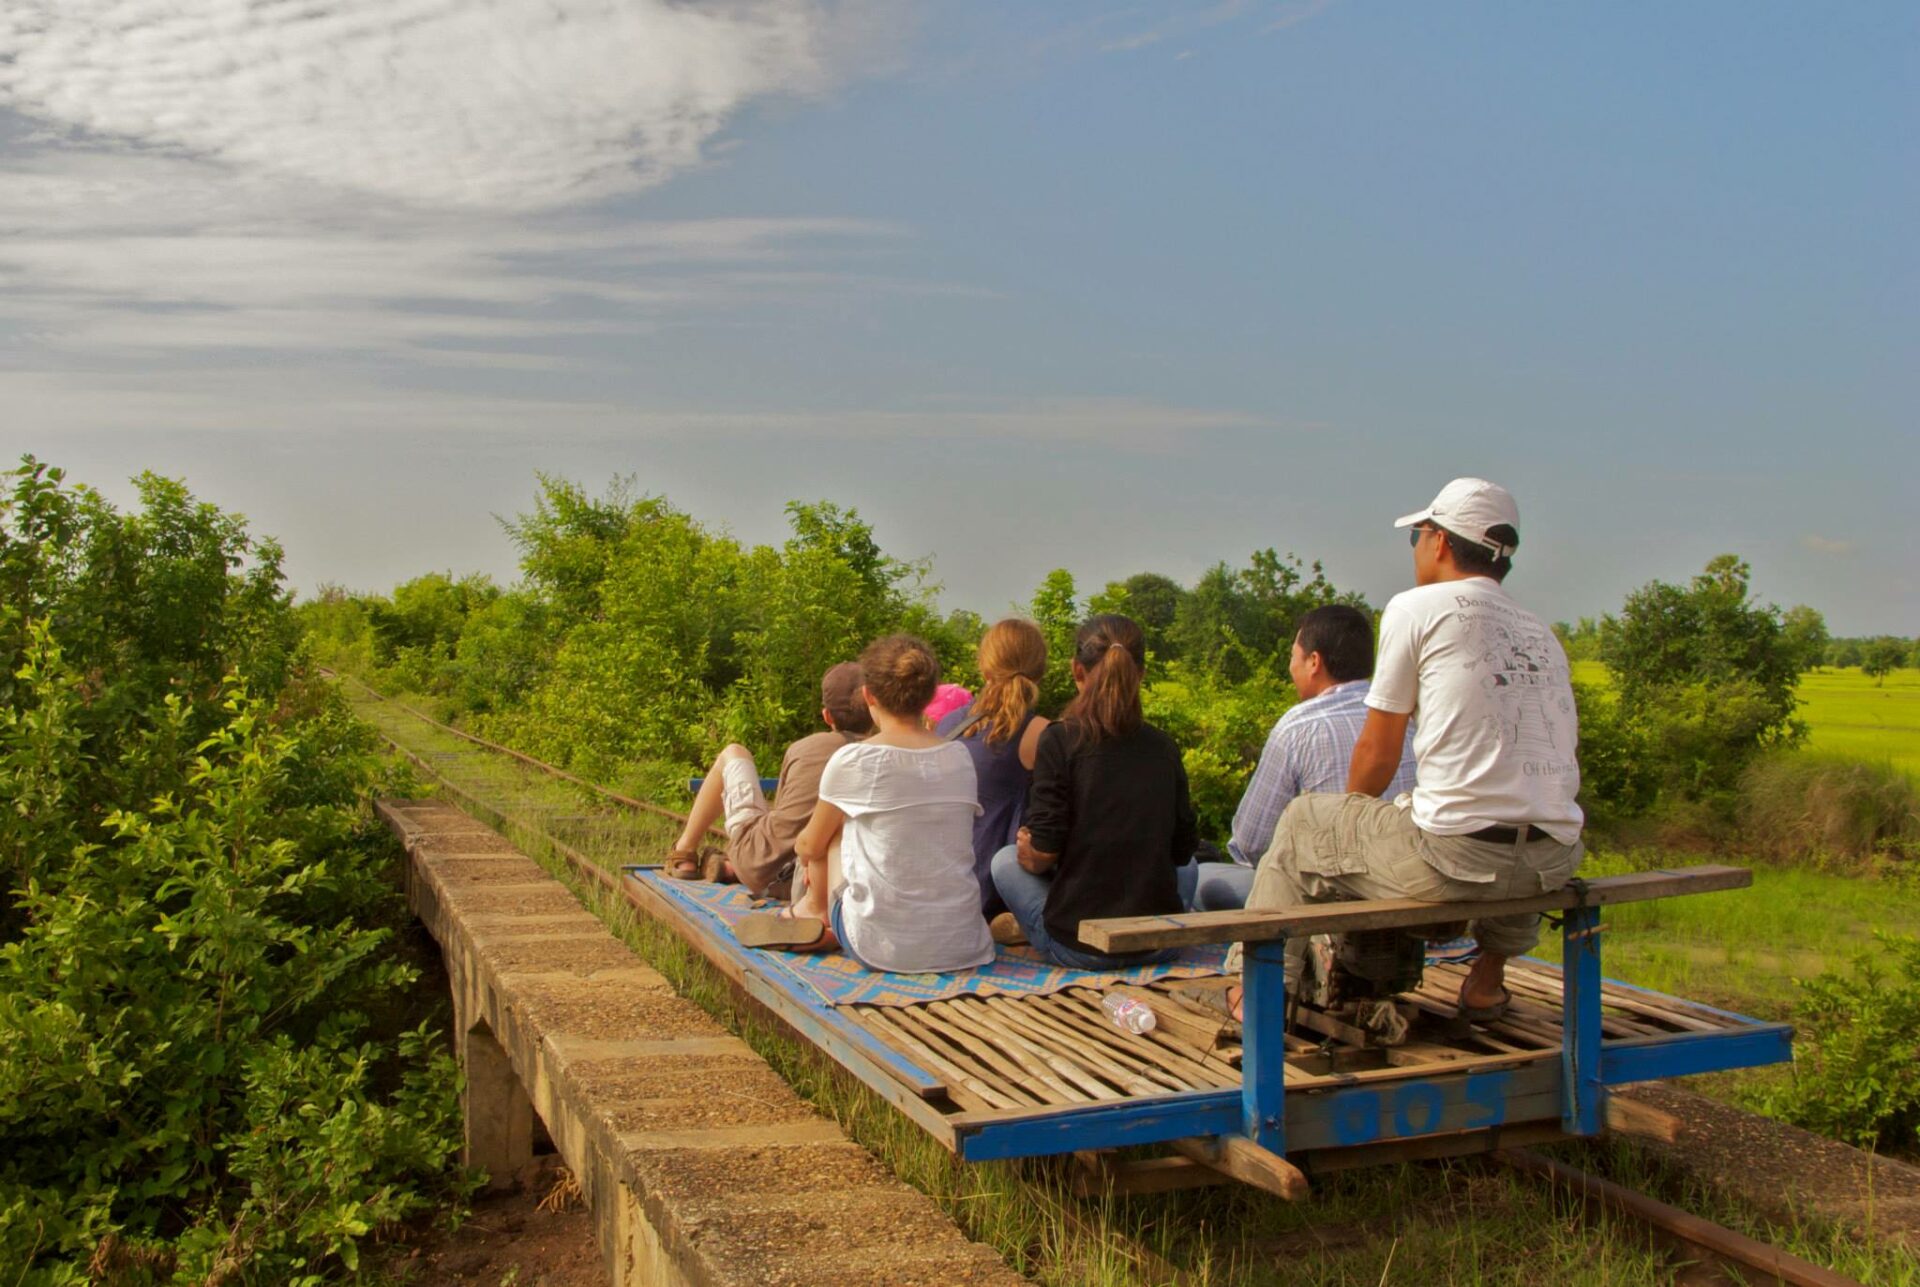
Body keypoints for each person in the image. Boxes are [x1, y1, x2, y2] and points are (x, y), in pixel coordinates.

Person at [1227, 478, 1584, 1022]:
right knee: (1514, 816)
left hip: (1455, 861)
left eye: (1417, 535)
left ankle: (1255, 996)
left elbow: (1379, 746)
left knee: (1303, 822)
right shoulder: (1538, 629)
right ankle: (1485, 985)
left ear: (1439, 541)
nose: (1416, 548)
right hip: (1553, 859)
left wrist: (1344, 822)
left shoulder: (1418, 607)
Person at [739, 635, 994, 974]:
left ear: (869, 695)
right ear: (930, 695)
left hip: (882, 949)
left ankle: (813, 913)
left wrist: (805, 845)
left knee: (834, 834)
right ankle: (821, 917)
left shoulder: (856, 759)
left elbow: (809, 845)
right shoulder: (960, 757)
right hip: (965, 944)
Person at [991, 614, 1197, 969]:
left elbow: (1042, 852)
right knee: (1192, 867)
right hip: (1159, 943)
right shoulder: (1163, 746)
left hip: (1081, 947)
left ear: (1077, 670)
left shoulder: (1060, 739)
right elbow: (1182, 851)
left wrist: (1030, 852)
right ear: (1141, 675)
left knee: (1004, 861)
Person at [1185, 604, 1417, 912]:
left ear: (1314, 662)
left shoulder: (1299, 726)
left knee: (1202, 877)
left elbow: (1252, 842)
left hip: (1325, 898)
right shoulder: (1405, 719)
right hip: (1404, 886)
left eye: (1294, 657)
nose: (1291, 667)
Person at [661, 662, 872, 897]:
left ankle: (685, 854)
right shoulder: (885, 756)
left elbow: (783, 818)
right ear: (874, 708)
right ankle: (731, 868)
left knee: (733, 753)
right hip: (818, 881)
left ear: (826, 715)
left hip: (763, 865)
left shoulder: (804, 748)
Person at [935, 619, 1051, 916]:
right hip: (999, 890)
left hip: (945, 886)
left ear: (984, 668)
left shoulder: (947, 727)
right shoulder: (1041, 733)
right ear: (1040, 671)